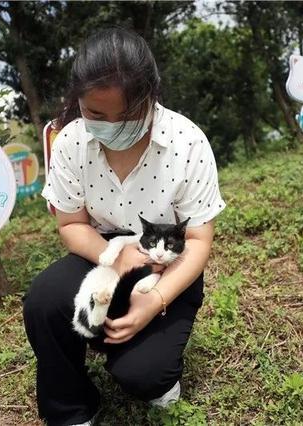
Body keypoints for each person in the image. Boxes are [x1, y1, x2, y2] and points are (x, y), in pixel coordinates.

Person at [22, 27, 227, 426]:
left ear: (152, 96)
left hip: (167, 261)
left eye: (129, 114)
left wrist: (155, 300)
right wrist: (111, 256)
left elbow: (199, 240)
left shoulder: (188, 143)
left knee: (144, 375)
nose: (112, 125)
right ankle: (71, 406)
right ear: (78, 101)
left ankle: (148, 368)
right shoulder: (70, 143)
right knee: (45, 301)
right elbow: (71, 223)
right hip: (103, 251)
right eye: (96, 114)